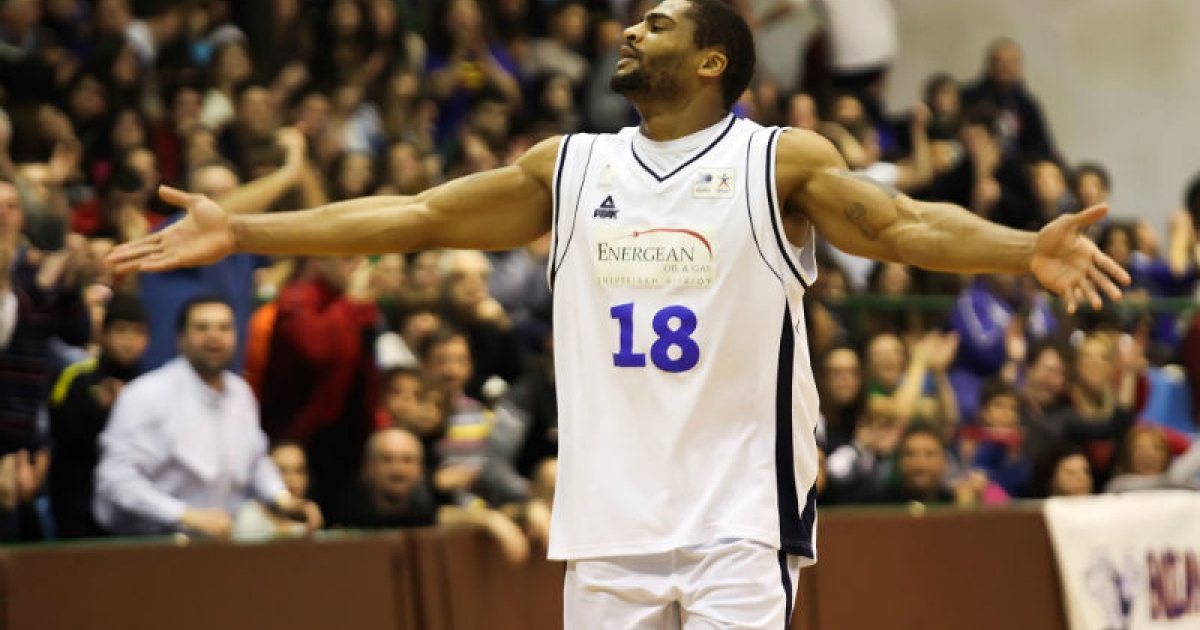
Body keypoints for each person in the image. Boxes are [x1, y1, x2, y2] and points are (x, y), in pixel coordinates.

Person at [110, 0, 1129, 626]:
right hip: (608, 521)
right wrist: (247, 233)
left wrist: (1022, 249)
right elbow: (416, 215)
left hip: (738, 514)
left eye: (659, 23)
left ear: (713, 61)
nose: (631, 29)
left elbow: (901, 226)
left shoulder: (775, 160)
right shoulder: (571, 165)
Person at [93, 296, 322, 538]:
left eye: (224, 328)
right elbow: (116, 480)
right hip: (151, 542)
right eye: (202, 328)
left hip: (219, 543)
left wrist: (283, 500)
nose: (214, 337)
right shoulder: (146, 395)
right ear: (181, 339)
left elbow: (256, 461)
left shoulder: (240, 394)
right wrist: (184, 515)